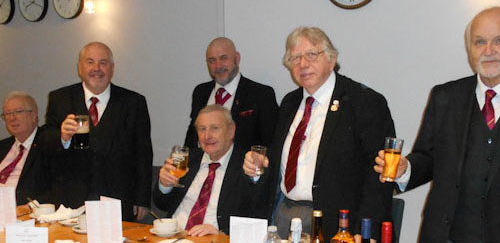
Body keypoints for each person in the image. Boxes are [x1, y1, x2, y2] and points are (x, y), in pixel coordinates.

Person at [374, 7, 500, 243]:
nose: (488, 51)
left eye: (499, 41)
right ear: (469, 48)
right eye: (479, 42)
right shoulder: (445, 96)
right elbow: (428, 158)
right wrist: (405, 169)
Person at [243, 27, 396, 242]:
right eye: (294, 58)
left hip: (340, 225)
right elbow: (278, 160)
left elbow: (379, 174)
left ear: (332, 59)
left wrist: (365, 229)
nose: (302, 64)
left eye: (311, 55)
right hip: (285, 215)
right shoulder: (289, 103)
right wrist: (259, 164)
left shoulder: (364, 102)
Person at [45, 42, 153, 221]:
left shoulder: (133, 102)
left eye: (103, 63)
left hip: (118, 199)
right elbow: (45, 142)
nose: (97, 68)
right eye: (90, 62)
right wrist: (62, 137)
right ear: (80, 68)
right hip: (70, 199)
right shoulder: (60, 98)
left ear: (112, 68)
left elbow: (143, 153)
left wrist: (142, 199)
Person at [154, 105, 255, 236]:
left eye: (215, 128)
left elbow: (255, 216)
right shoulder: (186, 159)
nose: (207, 136)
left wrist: (222, 234)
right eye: (202, 129)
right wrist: (164, 185)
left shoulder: (247, 166)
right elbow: (162, 204)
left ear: (231, 131)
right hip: (172, 236)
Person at [184, 37, 278, 150]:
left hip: (242, 166)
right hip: (203, 166)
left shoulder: (261, 94)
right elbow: (191, 141)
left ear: (237, 59)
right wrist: (177, 163)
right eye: (212, 60)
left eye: (223, 58)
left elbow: (272, 145)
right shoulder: (200, 92)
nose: (218, 66)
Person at [0, 91, 55, 205]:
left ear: (33, 115)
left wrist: (30, 207)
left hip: (22, 213)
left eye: (18, 112)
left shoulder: (48, 145)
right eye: (7, 113)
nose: (12, 118)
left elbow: (56, 188)